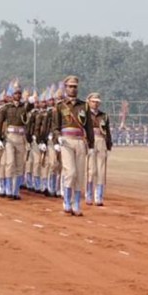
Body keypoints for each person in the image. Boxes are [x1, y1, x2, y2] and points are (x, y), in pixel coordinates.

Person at [50, 76, 94, 216]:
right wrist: (57, 139)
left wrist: (91, 146)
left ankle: (76, 203)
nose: (73, 89)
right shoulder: (60, 106)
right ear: (65, 88)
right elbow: (55, 127)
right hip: (66, 141)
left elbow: (89, 127)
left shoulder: (84, 106)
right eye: (70, 86)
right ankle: (67, 201)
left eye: (75, 86)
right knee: (71, 172)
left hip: (80, 141)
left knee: (80, 175)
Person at [85, 92, 112, 206]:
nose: (95, 104)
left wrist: (109, 145)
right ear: (88, 102)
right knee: (91, 170)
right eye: (93, 102)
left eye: (97, 102)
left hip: (101, 141)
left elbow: (107, 131)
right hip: (90, 141)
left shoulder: (104, 116)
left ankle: (99, 196)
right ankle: (89, 194)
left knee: (101, 170)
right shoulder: (85, 115)